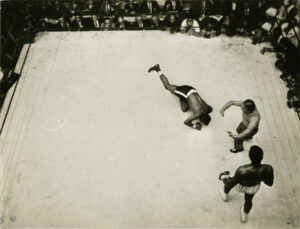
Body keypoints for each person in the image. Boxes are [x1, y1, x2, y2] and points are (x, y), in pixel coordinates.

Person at [218, 145, 274, 223]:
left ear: (249, 156)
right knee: (249, 200)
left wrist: (223, 178)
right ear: (262, 156)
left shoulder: (242, 170)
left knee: (229, 182)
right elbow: (269, 183)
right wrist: (260, 176)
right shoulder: (268, 168)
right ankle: (244, 215)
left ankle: (225, 195)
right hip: (254, 187)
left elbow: (231, 184)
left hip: (240, 186)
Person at [148, 64, 212, 130]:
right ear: (200, 117)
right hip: (186, 92)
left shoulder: (207, 108)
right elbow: (186, 122)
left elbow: (210, 108)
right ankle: (157, 69)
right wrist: (195, 126)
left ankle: (179, 94)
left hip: (192, 90)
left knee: (184, 109)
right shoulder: (197, 114)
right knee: (167, 86)